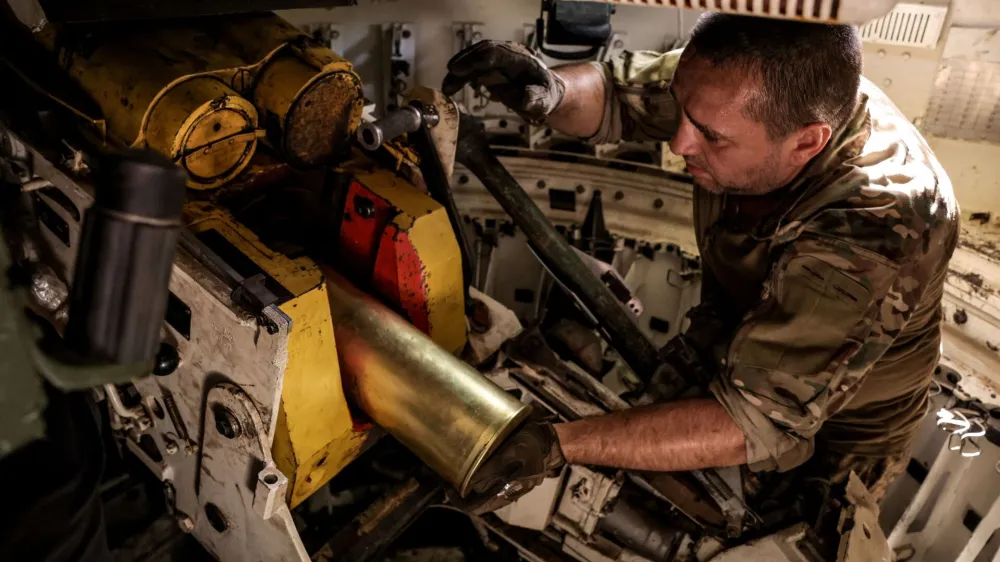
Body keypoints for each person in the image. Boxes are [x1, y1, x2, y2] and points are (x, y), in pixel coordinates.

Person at [444, 13, 960, 519]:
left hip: (838, 433)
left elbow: (751, 423)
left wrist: (557, 444)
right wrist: (551, 90)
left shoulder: (878, 228)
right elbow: (616, 98)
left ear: (807, 142)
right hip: (735, 342)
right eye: (682, 112)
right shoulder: (736, 87)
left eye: (711, 137)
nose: (678, 143)